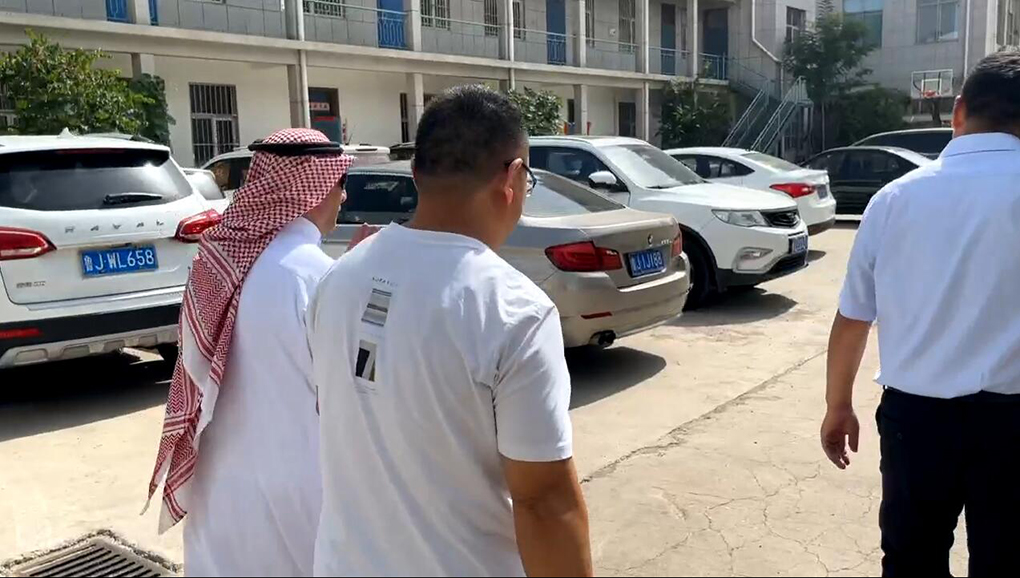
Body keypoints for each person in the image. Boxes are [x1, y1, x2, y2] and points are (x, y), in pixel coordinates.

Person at [307, 85, 593, 577]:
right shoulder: (515, 312)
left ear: (416, 172)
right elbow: (544, 503)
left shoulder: (338, 278)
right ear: (513, 177)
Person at [821, 51, 1020, 577]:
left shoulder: (894, 199)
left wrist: (838, 404)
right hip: (1014, 424)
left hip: (917, 422)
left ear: (958, 111)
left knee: (912, 560)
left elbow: (853, 317)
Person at [146, 128, 353, 576]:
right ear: (314, 189)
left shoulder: (216, 262)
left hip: (217, 484)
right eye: (340, 183)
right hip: (299, 488)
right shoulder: (318, 277)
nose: (344, 196)